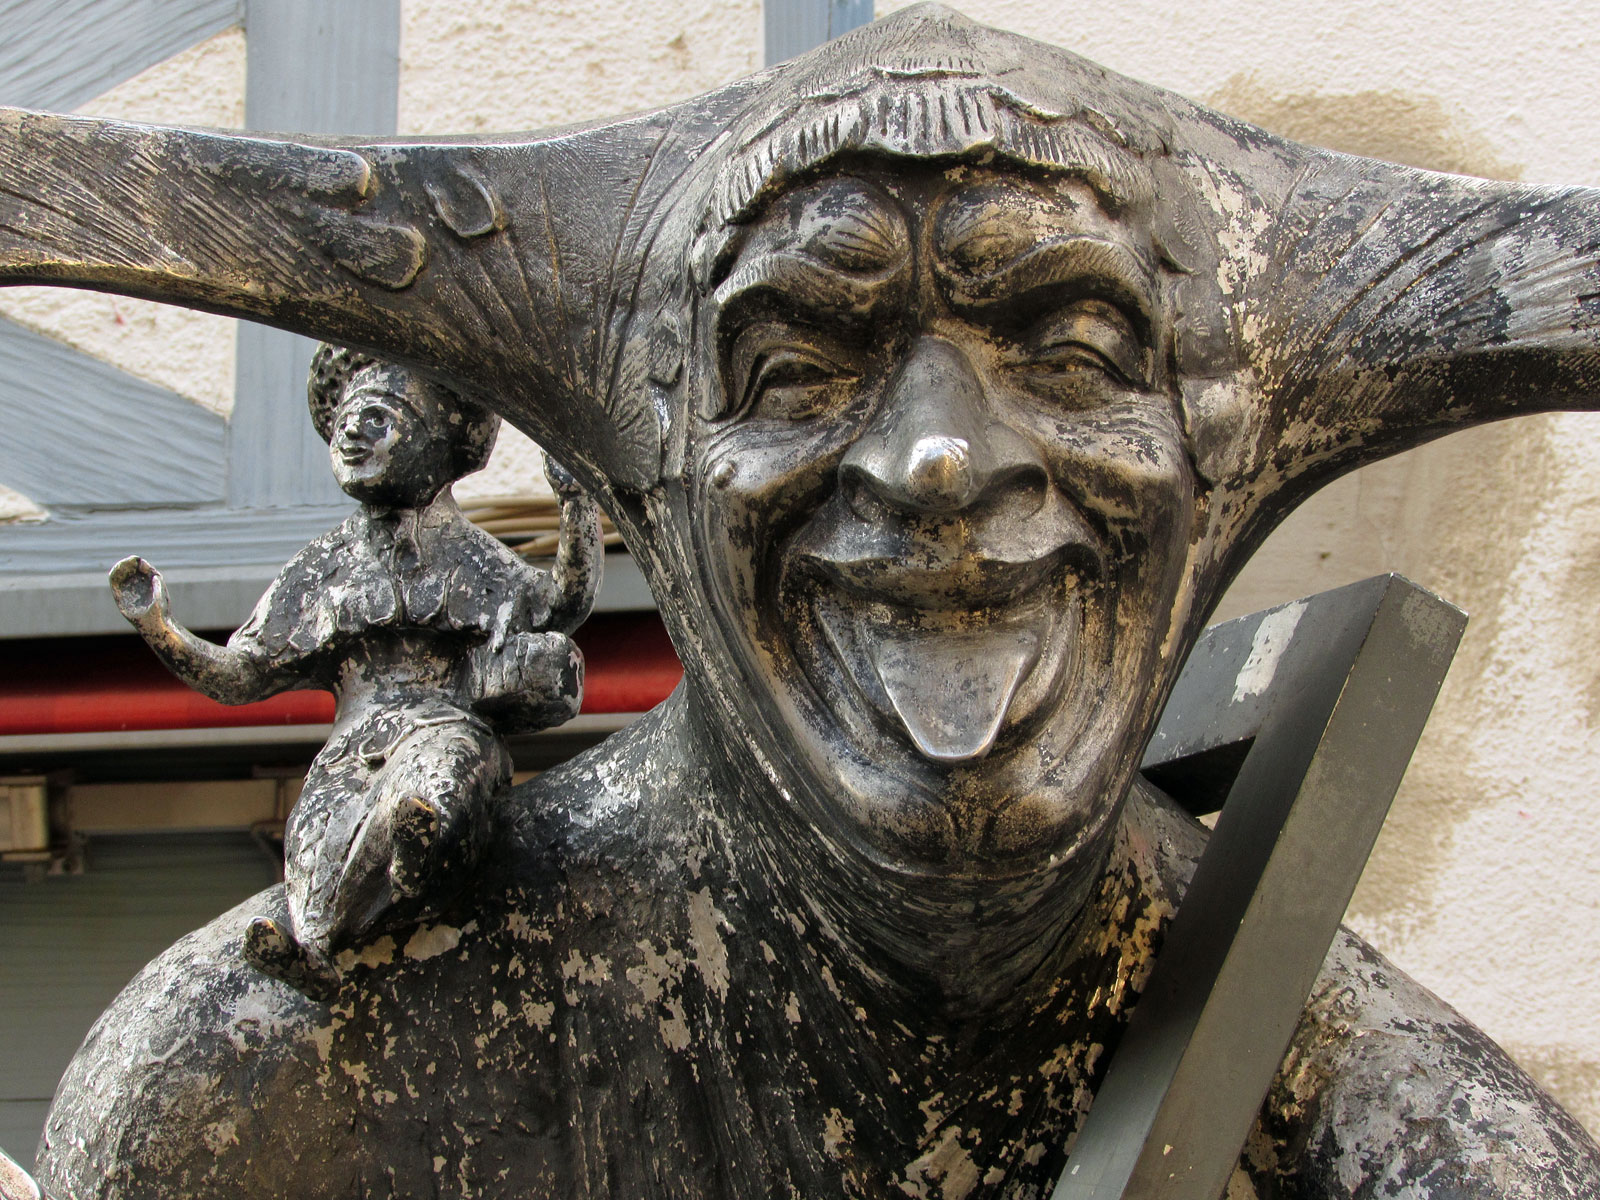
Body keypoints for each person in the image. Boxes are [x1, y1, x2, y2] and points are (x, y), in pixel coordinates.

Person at [4, 5, 1600, 1195]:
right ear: (653, 466)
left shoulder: (1420, 1151)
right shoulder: (284, 1103)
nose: (938, 460)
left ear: (1220, 448)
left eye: (1072, 351)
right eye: (792, 365)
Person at [108, 345, 603, 996]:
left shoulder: (473, 558)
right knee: (318, 827)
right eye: (345, 419)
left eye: (378, 418)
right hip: (353, 745)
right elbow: (242, 674)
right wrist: (159, 626)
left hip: (444, 724)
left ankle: (417, 854)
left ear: (441, 442)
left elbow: (560, 602)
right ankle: (316, 944)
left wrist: (575, 504)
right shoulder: (323, 568)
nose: (352, 432)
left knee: (444, 780)